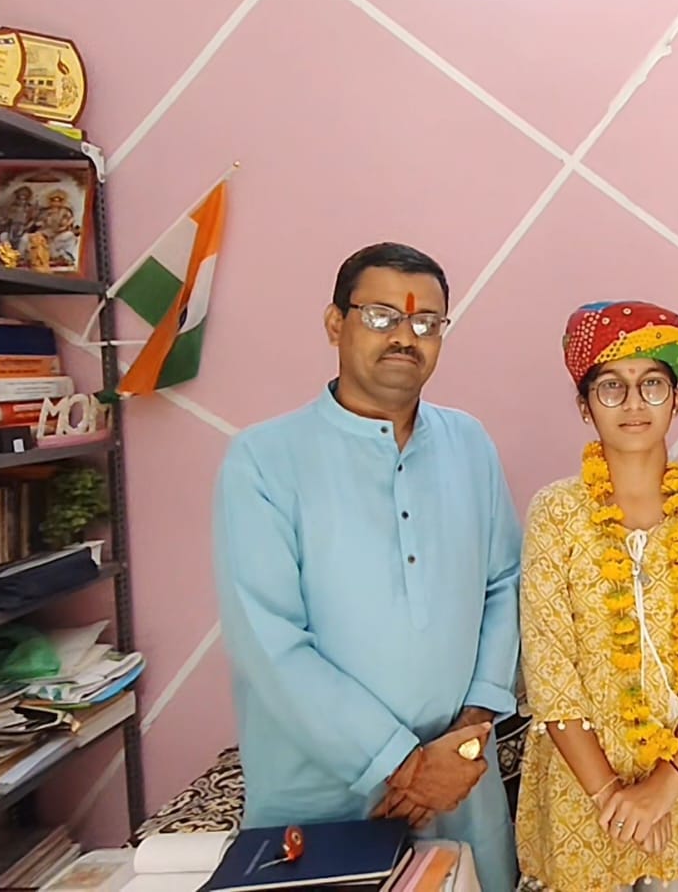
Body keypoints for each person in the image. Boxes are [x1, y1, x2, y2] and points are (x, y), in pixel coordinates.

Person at [212, 242, 522, 892]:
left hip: (460, 783)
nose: (405, 337)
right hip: (322, 796)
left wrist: (470, 735)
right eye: (381, 317)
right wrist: (402, 765)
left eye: (426, 322)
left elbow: (504, 586)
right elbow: (269, 643)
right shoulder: (263, 460)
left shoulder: (469, 443)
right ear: (335, 323)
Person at [515, 300, 678, 892]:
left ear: (676, 399)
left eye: (652, 384)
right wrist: (612, 798)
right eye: (611, 387)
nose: (634, 403)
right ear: (585, 405)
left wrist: (667, 783)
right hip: (581, 790)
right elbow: (549, 665)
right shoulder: (556, 512)